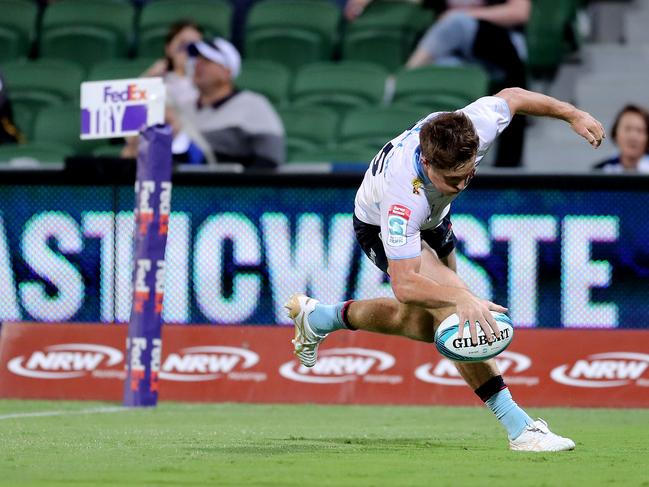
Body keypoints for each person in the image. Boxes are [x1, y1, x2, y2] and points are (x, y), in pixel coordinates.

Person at [286, 87, 605, 452]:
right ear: (426, 162)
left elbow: (514, 97)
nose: (462, 184)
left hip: (436, 219)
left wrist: (572, 114)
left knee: (422, 324)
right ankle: (520, 428)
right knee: (456, 313)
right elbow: (405, 285)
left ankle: (319, 317)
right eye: (452, 180)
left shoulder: (475, 126)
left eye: (468, 175)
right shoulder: (402, 198)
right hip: (377, 225)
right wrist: (461, 298)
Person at [344, 0, 530, 168]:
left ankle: (400, 78)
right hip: (454, 52)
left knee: (456, 24)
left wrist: (465, 15)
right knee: (442, 73)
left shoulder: (458, 19)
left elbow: (520, 12)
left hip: (500, 44)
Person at [142, 20, 203, 108]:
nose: (188, 51)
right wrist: (148, 78)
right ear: (168, 48)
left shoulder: (207, 81)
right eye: (183, 44)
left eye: (195, 46)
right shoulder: (156, 80)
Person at [593, 104, 649, 174]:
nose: (633, 137)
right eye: (627, 129)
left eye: (640, 130)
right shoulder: (600, 171)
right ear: (615, 133)